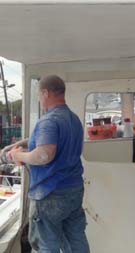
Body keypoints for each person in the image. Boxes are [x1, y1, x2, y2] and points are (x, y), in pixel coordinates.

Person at [2, 75, 90, 253]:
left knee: (46, 245)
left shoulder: (49, 120)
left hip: (50, 195)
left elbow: (43, 155)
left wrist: (17, 155)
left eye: (39, 95)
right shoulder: (72, 119)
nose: (39, 99)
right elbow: (42, 140)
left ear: (45, 92)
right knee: (75, 241)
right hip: (73, 192)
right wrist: (16, 146)